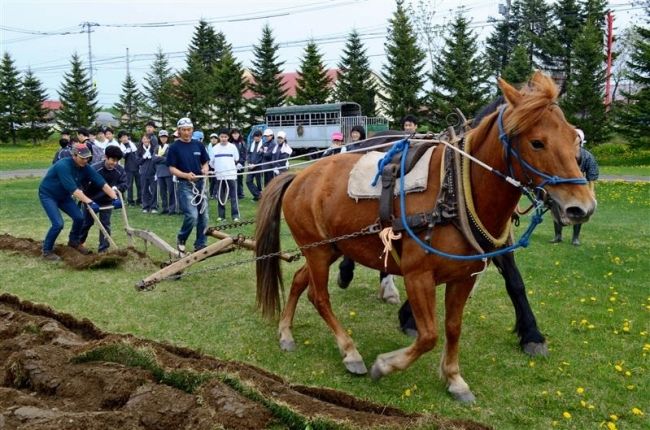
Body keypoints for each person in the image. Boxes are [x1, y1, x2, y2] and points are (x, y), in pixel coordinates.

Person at [38, 142, 120, 260]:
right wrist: (90, 202)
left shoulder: (85, 167)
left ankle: (74, 242)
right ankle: (46, 251)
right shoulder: (63, 166)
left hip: (64, 196)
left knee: (79, 218)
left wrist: (114, 197)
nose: (85, 160)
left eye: (87, 158)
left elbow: (101, 182)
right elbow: (74, 190)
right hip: (49, 195)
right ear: (74, 155)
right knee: (58, 224)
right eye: (82, 158)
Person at [166, 117, 210, 253]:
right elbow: (171, 168)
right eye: (183, 130)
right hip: (185, 185)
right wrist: (186, 175)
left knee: (204, 215)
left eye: (189, 129)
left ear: (192, 130)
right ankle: (182, 238)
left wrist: (205, 169)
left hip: (200, 184)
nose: (186, 132)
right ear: (179, 131)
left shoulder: (199, 145)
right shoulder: (174, 148)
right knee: (192, 215)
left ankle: (200, 244)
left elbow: (205, 162)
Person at [550, 128, 599, 246]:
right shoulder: (561, 155)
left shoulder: (587, 157)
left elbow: (592, 174)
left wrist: (591, 191)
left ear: (581, 143)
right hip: (562, 187)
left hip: (579, 188)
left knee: (579, 211)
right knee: (556, 209)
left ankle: (575, 238)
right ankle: (558, 236)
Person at [78, 145, 127, 253]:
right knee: (87, 223)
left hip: (108, 201)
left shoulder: (119, 170)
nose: (114, 163)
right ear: (106, 157)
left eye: (117, 161)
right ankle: (78, 243)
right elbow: (82, 184)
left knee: (105, 224)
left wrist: (117, 188)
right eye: (112, 160)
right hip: (91, 200)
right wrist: (86, 200)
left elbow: (124, 183)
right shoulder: (94, 169)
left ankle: (103, 249)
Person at [210, 127, 240, 222]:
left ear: (228, 137)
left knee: (233, 196)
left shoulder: (232, 147)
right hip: (219, 177)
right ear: (219, 137)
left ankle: (235, 215)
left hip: (231, 175)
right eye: (222, 137)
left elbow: (236, 159)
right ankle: (221, 216)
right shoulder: (214, 149)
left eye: (225, 137)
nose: (223, 138)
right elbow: (211, 163)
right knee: (220, 196)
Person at [154, 130, 175, 214]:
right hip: (159, 172)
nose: (163, 138)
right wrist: (163, 158)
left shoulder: (170, 147)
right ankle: (164, 207)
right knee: (162, 192)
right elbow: (153, 159)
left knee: (170, 191)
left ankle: (172, 208)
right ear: (159, 138)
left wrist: (159, 158)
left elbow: (169, 159)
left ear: (167, 138)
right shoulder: (156, 147)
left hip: (168, 172)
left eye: (165, 137)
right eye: (162, 137)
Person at [137, 134, 159, 213]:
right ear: (142, 140)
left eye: (147, 139)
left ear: (150, 140)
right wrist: (143, 158)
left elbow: (157, 159)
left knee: (154, 189)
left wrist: (152, 157)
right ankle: (145, 206)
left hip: (153, 172)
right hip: (143, 172)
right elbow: (137, 162)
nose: (145, 140)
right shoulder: (139, 149)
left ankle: (154, 206)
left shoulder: (154, 148)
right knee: (144, 189)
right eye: (144, 139)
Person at [118, 130, 141, 206]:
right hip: (128, 168)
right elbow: (123, 156)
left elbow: (137, 154)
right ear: (120, 139)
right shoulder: (121, 147)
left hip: (137, 167)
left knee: (139, 184)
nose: (124, 138)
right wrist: (127, 152)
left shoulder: (132, 144)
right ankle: (130, 201)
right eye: (122, 137)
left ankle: (139, 200)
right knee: (129, 185)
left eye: (125, 136)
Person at [246, 129, 264, 201]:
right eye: (255, 136)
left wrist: (255, 164)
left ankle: (258, 197)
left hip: (259, 167)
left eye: (258, 136)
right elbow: (248, 154)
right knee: (248, 181)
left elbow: (262, 156)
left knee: (259, 183)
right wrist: (249, 162)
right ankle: (258, 195)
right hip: (251, 166)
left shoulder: (263, 145)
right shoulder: (252, 144)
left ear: (261, 137)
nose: (256, 138)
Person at [230, 128, 247, 199]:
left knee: (240, 179)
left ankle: (240, 194)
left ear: (239, 134)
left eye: (236, 133)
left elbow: (244, 154)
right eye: (234, 133)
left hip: (240, 164)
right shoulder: (230, 143)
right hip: (232, 164)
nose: (235, 135)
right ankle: (233, 194)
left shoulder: (242, 143)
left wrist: (240, 163)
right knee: (232, 179)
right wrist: (234, 163)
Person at [206, 132, 220, 199]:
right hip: (209, 165)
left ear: (217, 139)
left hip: (217, 165)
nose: (213, 139)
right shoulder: (208, 147)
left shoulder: (220, 146)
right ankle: (211, 194)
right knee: (211, 180)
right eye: (212, 138)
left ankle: (215, 193)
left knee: (216, 180)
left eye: (215, 138)